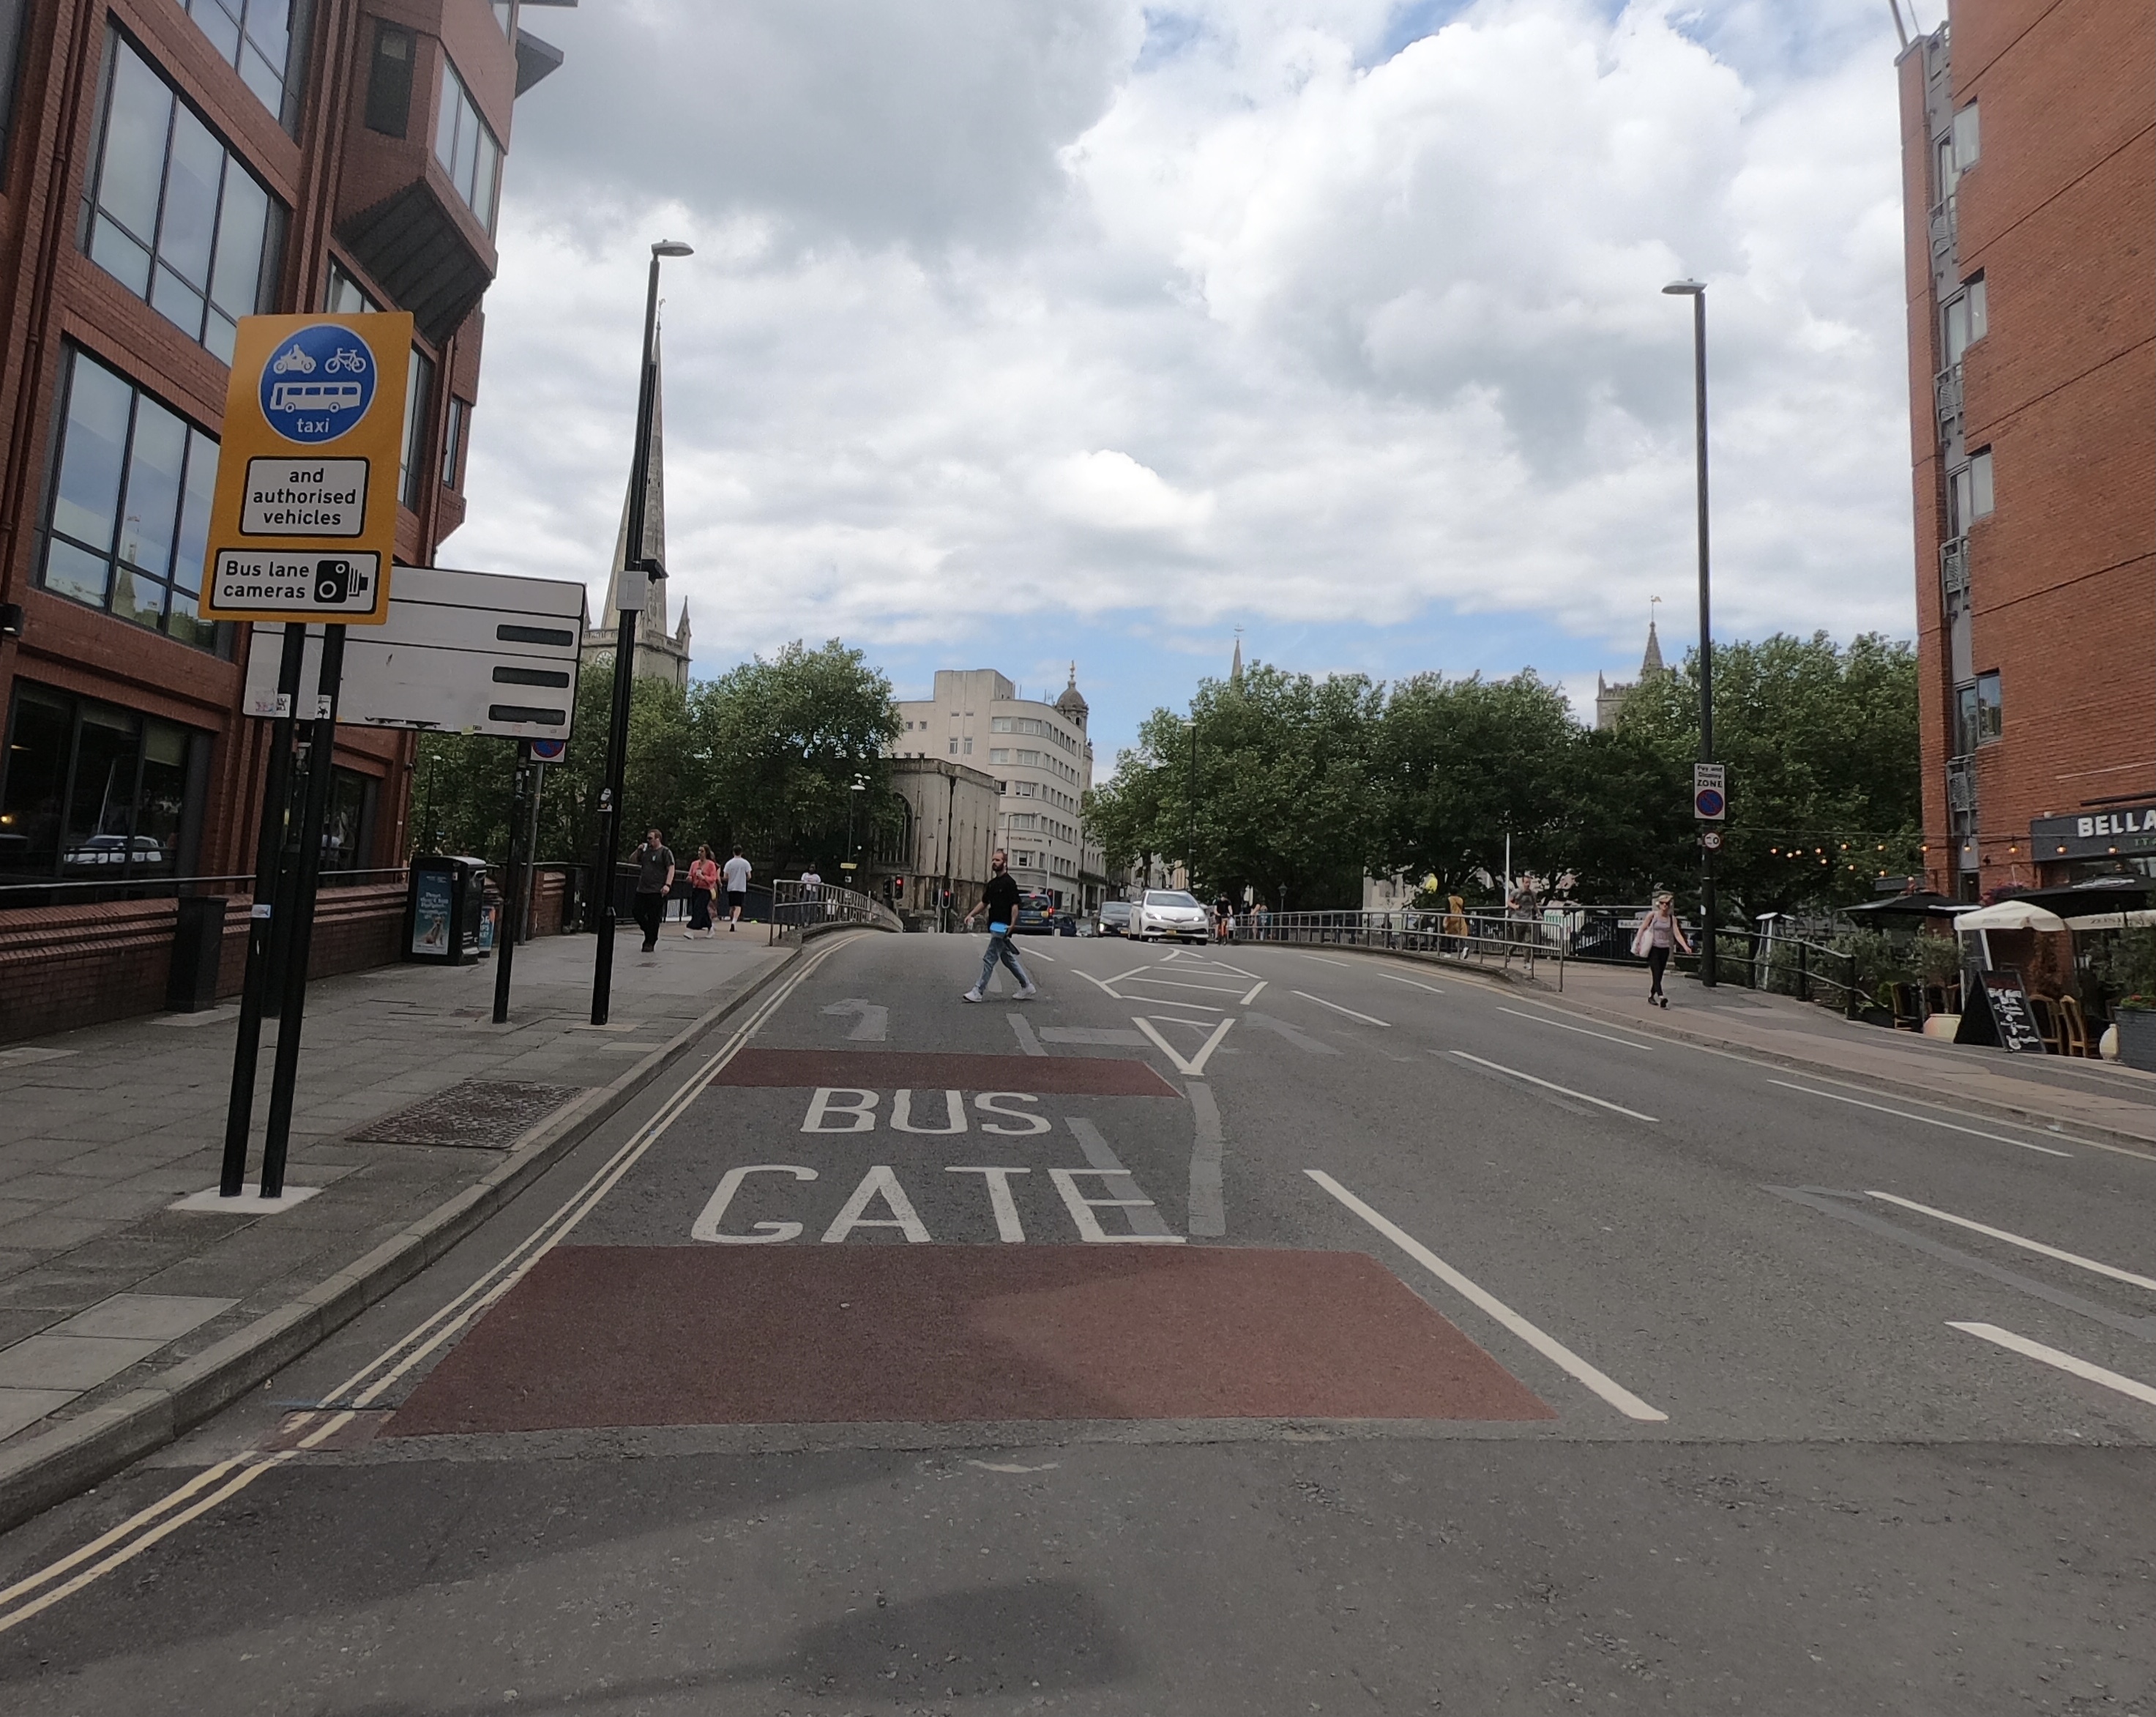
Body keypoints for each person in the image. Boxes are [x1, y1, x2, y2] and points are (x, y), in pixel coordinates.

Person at [960, 849, 1037, 1002]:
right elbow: (984, 902)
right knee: (1007, 958)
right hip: (995, 926)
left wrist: (1012, 924)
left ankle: (978, 991)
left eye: (998, 860)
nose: (995, 863)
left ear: (1005, 863)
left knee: (989, 958)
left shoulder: (1010, 883)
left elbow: (1015, 905)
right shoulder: (992, 884)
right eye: (993, 860)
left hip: (1003, 927)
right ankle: (1026, 985)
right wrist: (971, 915)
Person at [1631, 893, 1693, 1008]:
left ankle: (1651, 995)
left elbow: (1677, 934)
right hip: (1653, 947)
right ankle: (1661, 996)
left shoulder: (1671, 919)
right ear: (1659, 905)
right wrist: (1637, 942)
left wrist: (1685, 946)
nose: (1665, 906)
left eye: (1667, 904)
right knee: (1656, 972)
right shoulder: (1653, 916)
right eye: (1663, 903)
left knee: (1659, 975)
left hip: (1665, 948)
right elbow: (1643, 928)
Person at [631, 828, 674, 953]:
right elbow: (633, 860)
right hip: (643, 888)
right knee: (637, 911)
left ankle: (650, 941)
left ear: (658, 839)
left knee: (654, 917)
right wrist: (638, 850)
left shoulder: (665, 852)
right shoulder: (645, 852)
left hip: (657, 890)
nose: (648, 841)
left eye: (650, 838)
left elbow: (671, 868)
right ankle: (648, 932)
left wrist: (668, 884)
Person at [685, 845, 719, 938]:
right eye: (699, 851)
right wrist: (690, 878)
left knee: (698, 908)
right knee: (702, 910)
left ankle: (691, 929)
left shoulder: (711, 864)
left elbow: (713, 878)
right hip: (696, 888)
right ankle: (710, 927)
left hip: (706, 889)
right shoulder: (694, 864)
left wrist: (704, 878)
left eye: (702, 851)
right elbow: (691, 875)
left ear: (706, 853)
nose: (699, 853)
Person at [721, 847, 752, 931]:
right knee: (738, 906)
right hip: (741, 887)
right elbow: (749, 876)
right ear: (741, 852)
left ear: (733, 852)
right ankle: (734, 922)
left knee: (732, 906)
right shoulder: (745, 863)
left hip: (731, 887)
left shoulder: (729, 863)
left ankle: (732, 919)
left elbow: (725, 876)